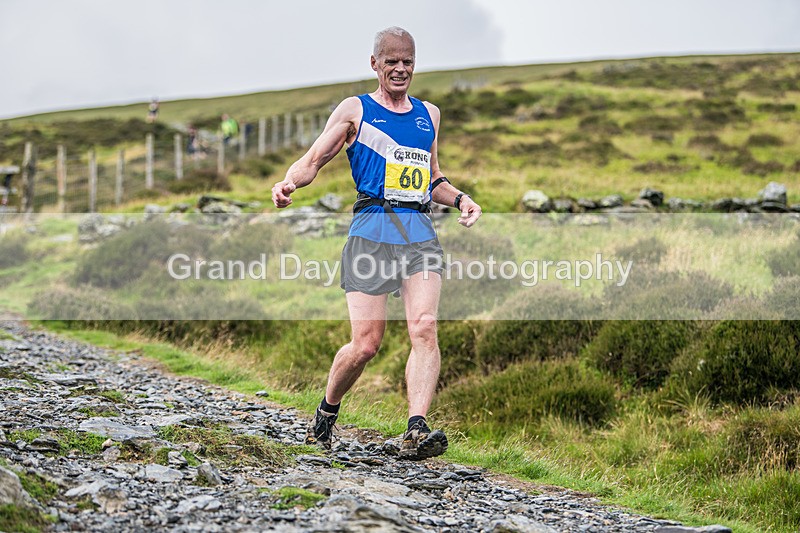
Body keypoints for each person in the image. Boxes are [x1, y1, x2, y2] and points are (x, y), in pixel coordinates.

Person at [272, 27, 482, 460]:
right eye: (392, 62)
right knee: (366, 344)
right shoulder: (356, 110)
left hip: (418, 233)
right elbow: (314, 159)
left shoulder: (430, 114)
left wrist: (460, 198)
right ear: (375, 64)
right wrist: (289, 183)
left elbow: (432, 178)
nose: (400, 69)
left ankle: (416, 429)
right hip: (371, 231)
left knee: (424, 327)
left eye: (407, 61)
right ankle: (327, 412)